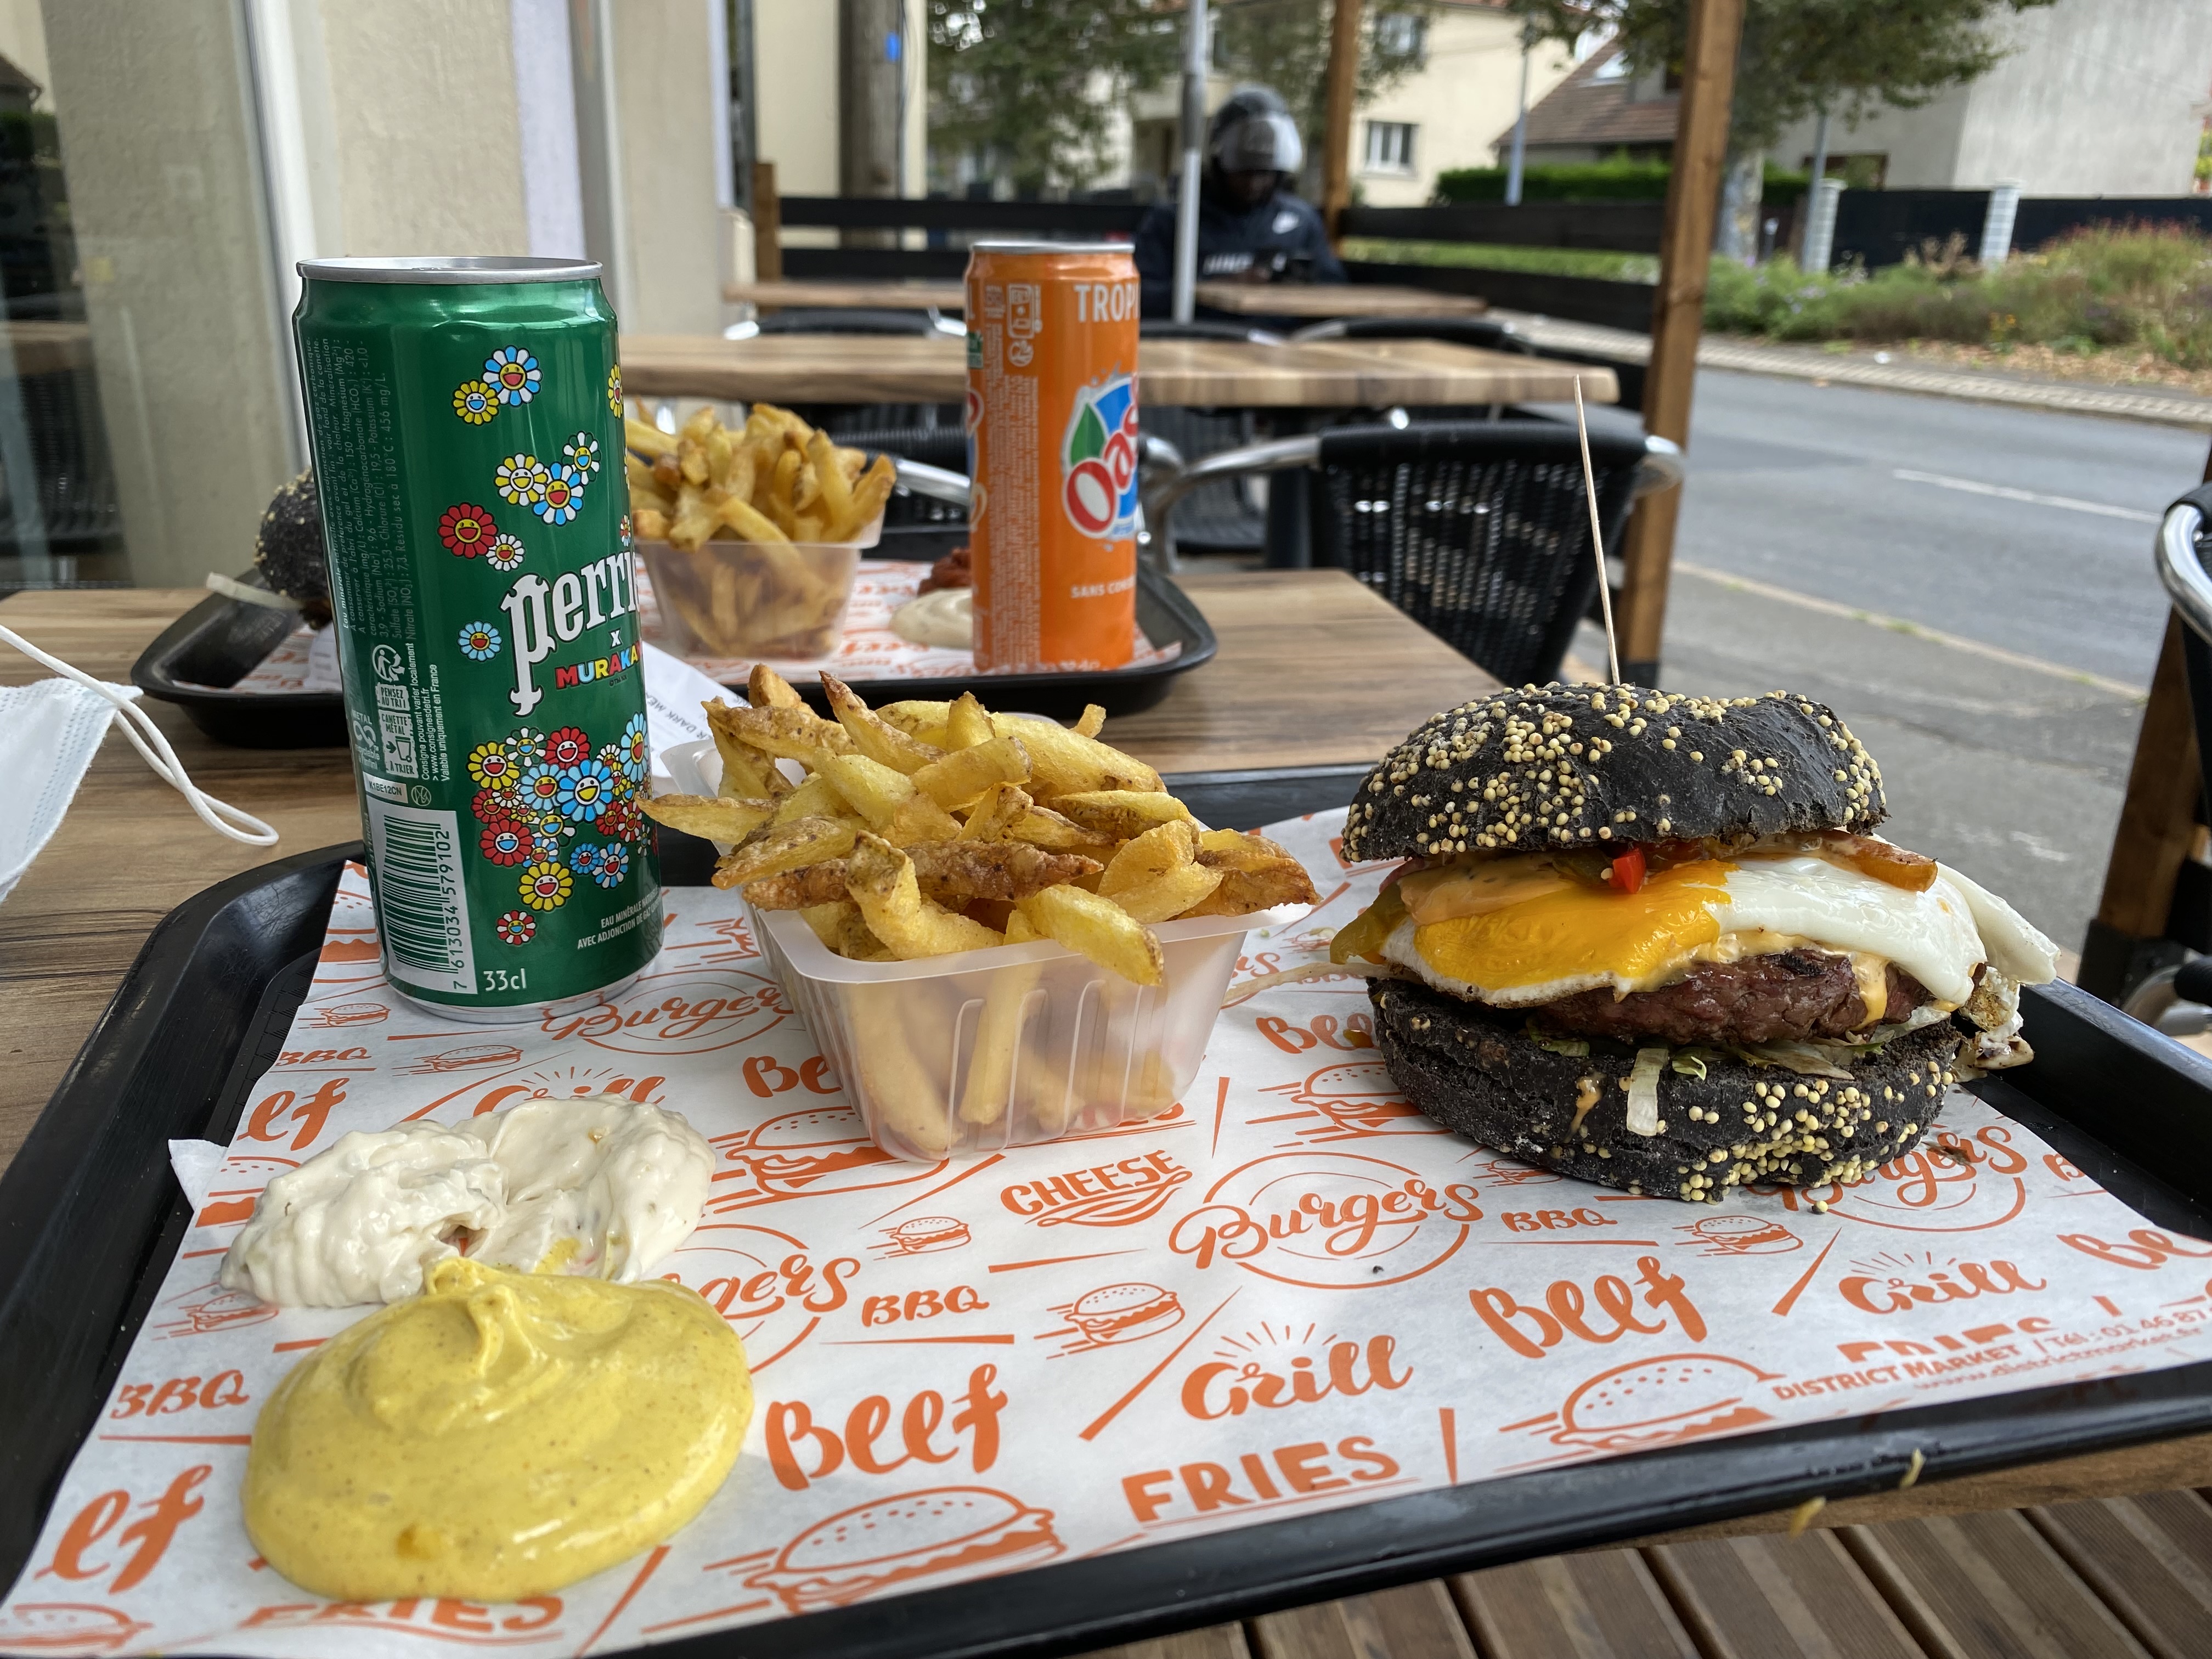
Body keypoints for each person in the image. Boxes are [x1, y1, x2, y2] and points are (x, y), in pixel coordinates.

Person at [1133, 86, 1345, 319]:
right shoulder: (1175, 220)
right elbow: (1139, 294)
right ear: (1220, 166)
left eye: (1264, 173)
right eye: (1244, 173)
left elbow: (1334, 288)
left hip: (1283, 335)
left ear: (1279, 173)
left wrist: (1299, 286)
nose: (1254, 184)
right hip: (1204, 334)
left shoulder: (1301, 222)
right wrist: (1217, 288)